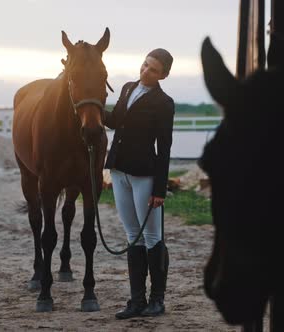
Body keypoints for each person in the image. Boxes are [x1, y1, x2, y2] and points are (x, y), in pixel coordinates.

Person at [102, 48, 175, 319]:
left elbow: (165, 147)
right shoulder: (127, 87)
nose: (146, 71)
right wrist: (95, 106)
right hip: (118, 171)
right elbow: (115, 121)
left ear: (163, 75)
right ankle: (136, 301)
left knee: (152, 236)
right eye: (145, 65)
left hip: (145, 175)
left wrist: (160, 189)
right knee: (133, 236)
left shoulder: (164, 103)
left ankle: (157, 300)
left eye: (153, 69)